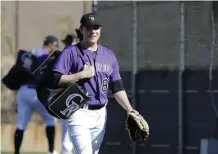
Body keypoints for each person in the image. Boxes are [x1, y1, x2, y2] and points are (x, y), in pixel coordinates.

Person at [52, 13, 139, 154]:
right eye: (88, 28)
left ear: (100, 29)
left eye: (96, 27)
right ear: (81, 30)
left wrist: (129, 109)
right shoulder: (71, 52)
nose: (92, 31)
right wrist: (81, 75)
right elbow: (56, 79)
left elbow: (117, 87)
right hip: (78, 111)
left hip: (100, 114)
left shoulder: (109, 55)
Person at [14, 35, 59, 154]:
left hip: (23, 91)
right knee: (51, 121)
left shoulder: (28, 54)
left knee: (21, 125)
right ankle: (51, 150)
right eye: (55, 45)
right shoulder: (46, 56)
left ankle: (16, 152)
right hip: (37, 92)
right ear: (50, 44)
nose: (55, 48)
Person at [60, 34, 79, 154]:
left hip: (73, 96)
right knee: (69, 132)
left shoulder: (66, 56)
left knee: (71, 132)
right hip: (69, 96)